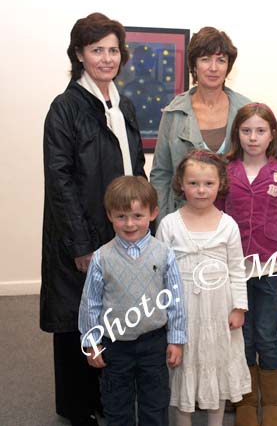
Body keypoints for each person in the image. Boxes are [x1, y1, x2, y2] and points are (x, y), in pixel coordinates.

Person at [41, 12, 146, 426]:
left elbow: (134, 165)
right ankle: (75, 406)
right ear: (79, 55)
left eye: (113, 50)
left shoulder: (124, 105)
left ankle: (103, 397)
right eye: (96, 50)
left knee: (111, 315)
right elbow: (60, 181)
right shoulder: (65, 108)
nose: (106, 58)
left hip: (120, 228)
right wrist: (81, 244)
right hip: (79, 233)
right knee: (75, 319)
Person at [79, 176, 186, 426]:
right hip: (114, 346)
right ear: (109, 216)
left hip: (154, 343)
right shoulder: (101, 258)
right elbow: (90, 303)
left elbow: (175, 300)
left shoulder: (164, 253)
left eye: (137, 216)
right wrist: (91, 342)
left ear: (153, 213)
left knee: (155, 404)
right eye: (121, 216)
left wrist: (177, 339)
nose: (129, 224)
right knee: (117, 405)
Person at [223, 103, 277, 426]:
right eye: (246, 131)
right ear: (237, 134)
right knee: (242, 337)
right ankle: (245, 400)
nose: (253, 138)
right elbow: (214, 223)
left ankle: (272, 403)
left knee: (267, 335)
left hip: (271, 272)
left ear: (272, 134)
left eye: (260, 131)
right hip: (235, 274)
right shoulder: (226, 173)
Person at [156, 150, 250, 426]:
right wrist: (165, 312)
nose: (200, 190)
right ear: (181, 184)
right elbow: (161, 272)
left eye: (208, 184)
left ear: (220, 185)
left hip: (219, 310)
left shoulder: (228, 225)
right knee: (183, 366)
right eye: (193, 183)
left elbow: (237, 269)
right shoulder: (169, 224)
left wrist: (239, 307)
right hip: (183, 309)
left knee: (217, 364)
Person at [151, 27, 251, 224]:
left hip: (236, 221)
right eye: (205, 59)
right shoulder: (174, 112)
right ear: (194, 65)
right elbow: (161, 174)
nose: (213, 68)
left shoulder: (246, 111)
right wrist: (161, 224)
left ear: (228, 67)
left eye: (221, 60)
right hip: (183, 222)